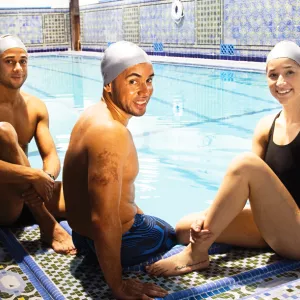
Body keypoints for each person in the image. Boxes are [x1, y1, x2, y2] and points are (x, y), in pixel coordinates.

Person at [146, 40, 300, 277]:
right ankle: (198, 240)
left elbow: (247, 173)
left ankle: (196, 255)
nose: (280, 82)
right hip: (273, 227)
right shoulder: (265, 127)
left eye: (290, 72)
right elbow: (251, 194)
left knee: (244, 164)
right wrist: (210, 220)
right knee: (186, 227)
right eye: (273, 75)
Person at [63, 41, 177, 299]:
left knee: (142, 213)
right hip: (119, 243)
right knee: (171, 233)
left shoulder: (92, 114)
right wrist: (118, 286)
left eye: (149, 80)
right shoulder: (111, 133)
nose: (145, 90)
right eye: (133, 81)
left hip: (81, 238)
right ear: (109, 84)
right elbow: (103, 219)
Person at [0, 34, 76, 255]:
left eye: (23, 61)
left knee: (89, 196)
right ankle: (47, 224)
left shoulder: (35, 106)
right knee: (4, 132)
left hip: (27, 196)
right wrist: (33, 176)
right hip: (2, 202)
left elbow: (51, 156)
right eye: (9, 61)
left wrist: (47, 179)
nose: (18, 68)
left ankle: (157, 233)